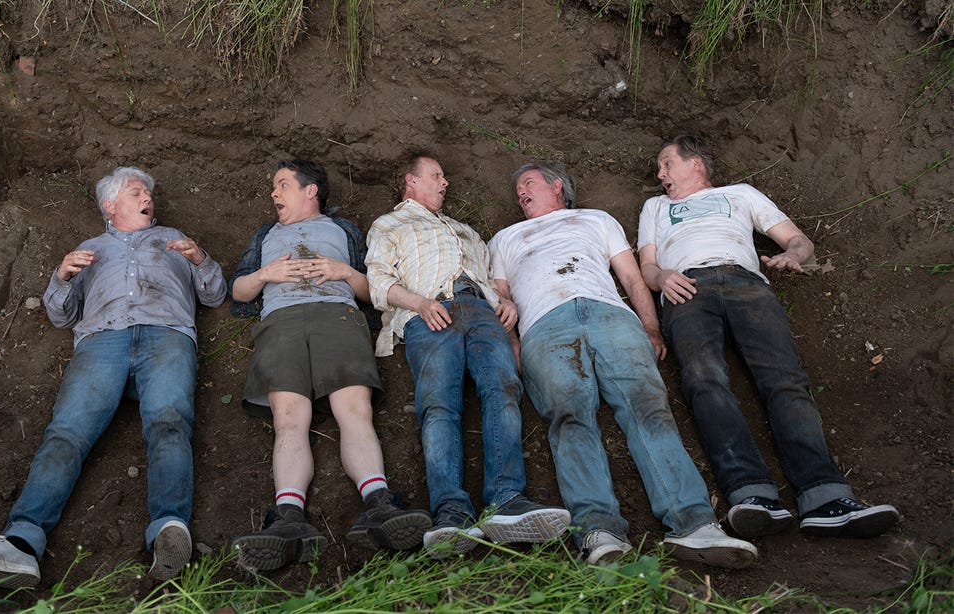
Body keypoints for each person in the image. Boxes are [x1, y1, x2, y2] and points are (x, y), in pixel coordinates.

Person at [0, 166, 228, 586]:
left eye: (148, 192)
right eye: (136, 191)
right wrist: (61, 276)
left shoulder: (175, 238)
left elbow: (215, 295)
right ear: (111, 205)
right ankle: (20, 544)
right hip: (101, 341)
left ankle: (170, 529)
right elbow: (61, 315)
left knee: (169, 423)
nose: (148, 196)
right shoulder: (89, 249)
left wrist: (200, 259)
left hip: (166, 333)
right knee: (66, 433)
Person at [487, 162, 757, 568]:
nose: (520, 192)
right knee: (569, 415)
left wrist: (651, 328)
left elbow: (631, 279)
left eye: (528, 183)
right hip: (544, 324)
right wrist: (512, 343)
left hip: (610, 315)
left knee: (647, 407)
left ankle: (694, 523)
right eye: (517, 190)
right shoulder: (504, 238)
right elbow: (501, 299)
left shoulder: (596, 219)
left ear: (557, 185)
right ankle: (599, 529)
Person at [637, 136, 900, 539]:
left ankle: (825, 496)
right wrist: (662, 278)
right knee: (704, 380)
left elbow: (797, 239)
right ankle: (750, 493)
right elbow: (648, 265)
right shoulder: (655, 207)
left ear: (696, 164)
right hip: (686, 287)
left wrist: (793, 255)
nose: (660, 174)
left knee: (785, 381)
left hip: (747, 284)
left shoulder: (740, 194)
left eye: (666, 164)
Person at [227, 159, 430, 572]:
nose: (274, 193)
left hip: (337, 316)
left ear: (310, 191)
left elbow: (373, 291)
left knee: (355, 411)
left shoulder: (344, 230)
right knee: (288, 419)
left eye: (282, 184)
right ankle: (288, 518)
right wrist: (267, 273)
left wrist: (344, 271)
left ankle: (378, 504)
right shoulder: (266, 235)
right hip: (281, 323)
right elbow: (239, 291)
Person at [366, 155, 570, 559]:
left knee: (504, 390)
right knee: (440, 405)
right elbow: (379, 280)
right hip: (430, 311)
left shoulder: (467, 231)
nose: (445, 183)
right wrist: (420, 303)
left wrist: (507, 304)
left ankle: (507, 499)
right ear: (411, 180)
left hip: (482, 312)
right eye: (436, 176)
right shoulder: (389, 224)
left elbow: (493, 280)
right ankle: (452, 511)